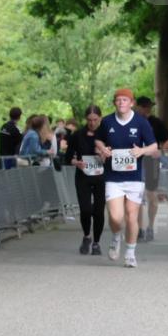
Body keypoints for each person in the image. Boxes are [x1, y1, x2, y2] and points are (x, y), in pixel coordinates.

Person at [93, 88, 159, 268]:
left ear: (132, 103)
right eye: (118, 100)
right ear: (114, 102)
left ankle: (130, 253)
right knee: (115, 217)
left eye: (125, 100)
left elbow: (154, 146)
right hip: (113, 177)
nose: (121, 102)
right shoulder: (106, 121)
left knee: (132, 216)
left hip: (134, 178)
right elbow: (98, 140)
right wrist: (103, 149)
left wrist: (141, 151)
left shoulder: (141, 122)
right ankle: (116, 237)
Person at [65, 105, 106, 255]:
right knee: (86, 209)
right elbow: (67, 157)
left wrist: (104, 155)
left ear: (100, 118)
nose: (92, 123)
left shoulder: (106, 134)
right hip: (83, 176)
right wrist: (77, 163)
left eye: (95, 120)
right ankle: (87, 236)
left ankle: (96, 243)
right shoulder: (77, 135)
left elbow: (115, 155)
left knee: (99, 211)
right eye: (89, 120)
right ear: (85, 119)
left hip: (102, 177)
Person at [133, 96, 168, 241]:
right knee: (137, 196)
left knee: (152, 197)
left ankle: (150, 227)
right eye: (144, 106)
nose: (147, 109)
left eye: (149, 106)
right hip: (135, 161)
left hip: (151, 162)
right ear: (137, 106)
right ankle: (139, 229)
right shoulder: (131, 121)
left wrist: (160, 150)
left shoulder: (155, 122)